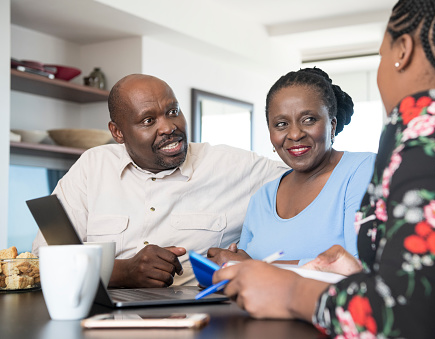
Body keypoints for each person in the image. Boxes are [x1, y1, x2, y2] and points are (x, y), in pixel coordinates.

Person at [213, 1, 435, 337]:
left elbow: (412, 319)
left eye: (382, 55)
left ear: (403, 50)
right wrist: (363, 276)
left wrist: (293, 292)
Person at [32, 74, 288, 288]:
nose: (168, 127)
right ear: (118, 132)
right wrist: (124, 272)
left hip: (194, 320)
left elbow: (312, 172)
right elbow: (43, 261)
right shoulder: (92, 167)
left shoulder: (234, 166)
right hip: (100, 319)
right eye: (148, 120)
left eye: (173, 112)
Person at [207, 68, 375, 266]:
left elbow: (361, 265)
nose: (295, 134)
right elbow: (241, 270)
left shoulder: (362, 170)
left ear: (332, 124)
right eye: (281, 124)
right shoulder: (262, 198)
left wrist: (254, 268)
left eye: (309, 120)